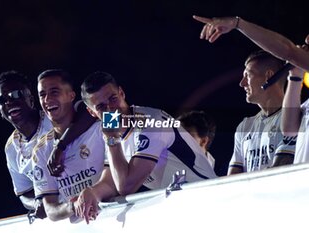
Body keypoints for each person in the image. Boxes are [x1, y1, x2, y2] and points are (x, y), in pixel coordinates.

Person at [75, 71, 217, 223]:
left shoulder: (151, 122)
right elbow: (111, 180)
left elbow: (126, 186)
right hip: (183, 206)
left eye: (113, 99)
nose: (111, 109)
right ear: (92, 112)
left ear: (122, 93)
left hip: (209, 200)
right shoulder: (111, 133)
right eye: (102, 107)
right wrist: (91, 192)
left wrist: (111, 140)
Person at [193, 15, 309, 164]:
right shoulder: (306, 105)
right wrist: (295, 76)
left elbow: (288, 51)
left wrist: (238, 24)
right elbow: (289, 129)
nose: (306, 39)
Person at [0, 70, 93, 220]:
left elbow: (91, 114)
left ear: (31, 99)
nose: (9, 102)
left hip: (95, 199)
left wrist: (60, 146)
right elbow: (23, 193)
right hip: (64, 213)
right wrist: (38, 203)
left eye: (16, 95)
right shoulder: (11, 149)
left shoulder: (54, 115)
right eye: (2, 100)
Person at [32, 69, 105, 222]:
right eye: (42, 94)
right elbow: (51, 211)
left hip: (113, 219)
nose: (47, 99)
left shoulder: (101, 127)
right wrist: (73, 206)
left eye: (54, 92)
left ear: (71, 96)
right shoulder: (40, 151)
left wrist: (92, 193)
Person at [225, 50, 296, 174]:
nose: (242, 83)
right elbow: (232, 177)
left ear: (268, 76)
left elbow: (280, 173)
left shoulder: (297, 118)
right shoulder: (245, 126)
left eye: (247, 75)